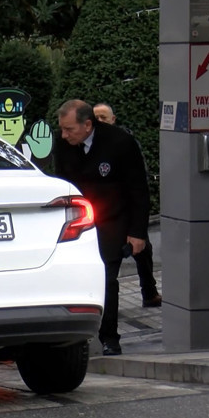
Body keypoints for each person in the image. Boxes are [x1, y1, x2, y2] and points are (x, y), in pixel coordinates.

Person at [53, 99, 151, 356]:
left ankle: (110, 337)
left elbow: (138, 189)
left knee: (107, 278)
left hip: (112, 220)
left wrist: (137, 232)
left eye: (69, 129)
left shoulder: (120, 142)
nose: (64, 135)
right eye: (62, 129)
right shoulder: (62, 144)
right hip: (77, 221)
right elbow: (61, 183)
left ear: (87, 125)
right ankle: (75, 337)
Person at [93, 102, 162, 308]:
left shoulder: (126, 142)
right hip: (102, 213)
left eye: (104, 117)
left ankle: (149, 293)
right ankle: (104, 303)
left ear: (113, 120)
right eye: (96, 118)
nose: (100, 121)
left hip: (127, 209)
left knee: (143, 250)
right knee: (107, 260)